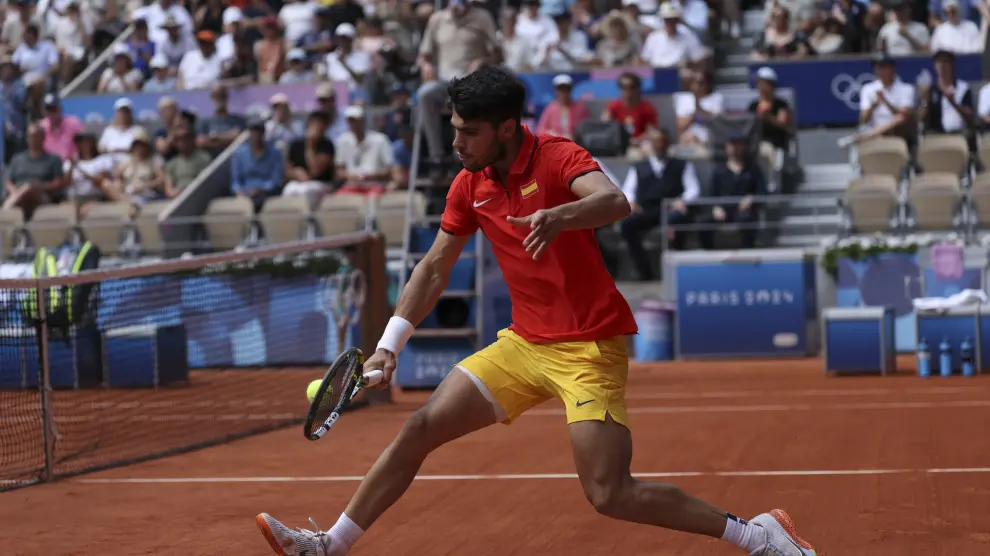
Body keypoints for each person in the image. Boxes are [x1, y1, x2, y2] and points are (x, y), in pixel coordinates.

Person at [255, 65, 817, 556]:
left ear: (506, 128)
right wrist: (388, 346)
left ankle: (759, 536)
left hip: (588, 346)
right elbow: (432, 268)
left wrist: (560, 216)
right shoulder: (468, 183)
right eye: (454, 130)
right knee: (420, 427)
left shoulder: (556, 156)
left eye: (468, 133)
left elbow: (615, 200)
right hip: (523, 345)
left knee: (609, 494)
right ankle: (330, 545)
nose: (458, 143)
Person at [618, 128, 699, 281]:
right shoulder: (639, 167)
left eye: (663, 141)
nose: (660, 145)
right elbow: (628, 189)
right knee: (627, 225)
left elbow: (693, 190)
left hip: (671, 210)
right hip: (647, 210)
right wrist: (631, 202)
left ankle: (676, 273)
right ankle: (644, 271)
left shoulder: (682, 165)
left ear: (668, 144)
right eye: (656, 142)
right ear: (651, 144)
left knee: (677, 222)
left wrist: (682, 201)